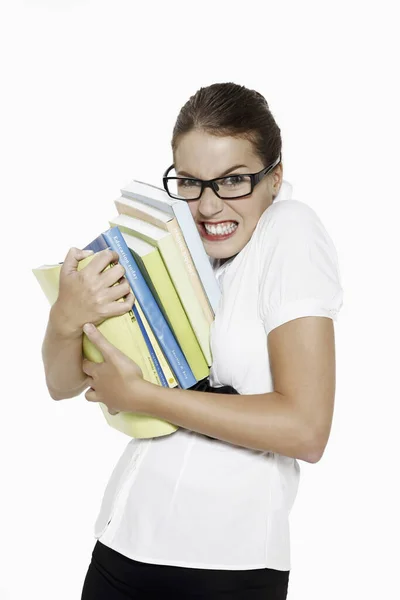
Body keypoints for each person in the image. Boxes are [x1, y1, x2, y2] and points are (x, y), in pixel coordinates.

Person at [42, 82, 344, 599]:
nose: (207, 206)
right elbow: (63, 384)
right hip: (122, 544)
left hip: (221, 569)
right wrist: (66, 320)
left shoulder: (290, 230)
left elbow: (306, 428)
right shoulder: (180, 249)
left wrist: (143, 397)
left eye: (233, 181)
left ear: (275, 176)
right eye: (189, 182)